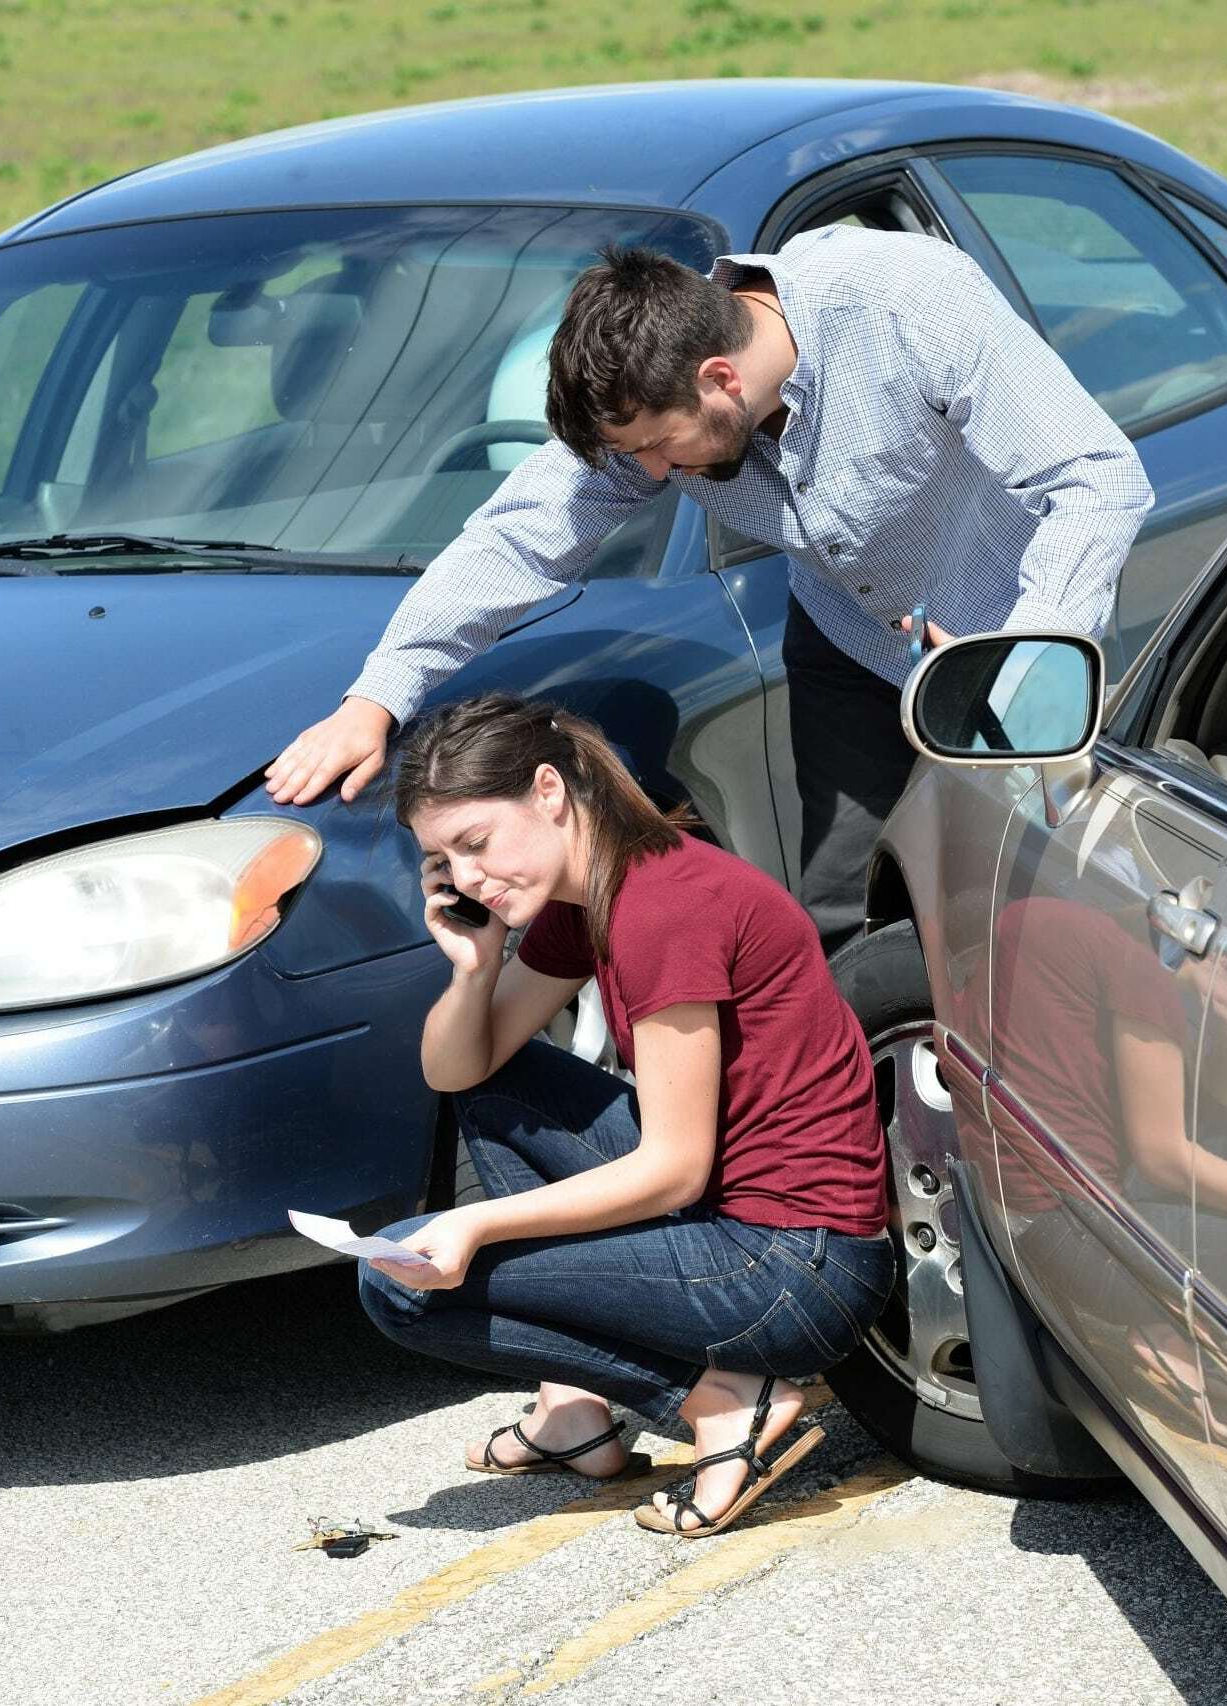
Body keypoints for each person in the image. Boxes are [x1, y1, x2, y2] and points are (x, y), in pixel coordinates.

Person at [265, 227, 1154, 951]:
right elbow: (516, 538)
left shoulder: (903, 301)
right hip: (852, 639)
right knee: (848, 917)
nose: (652, 475)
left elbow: (1096, 478)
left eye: (660, 448)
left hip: (1017, 644)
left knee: (1050, 912)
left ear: (718, 378)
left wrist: (1024, 654)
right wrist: (375, 699)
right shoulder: (659, 403)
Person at [356, 691, 895, 1537]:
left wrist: (480, 1225)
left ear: (547, 792)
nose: (465, 879)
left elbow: (671, 1167)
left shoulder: (660, 909)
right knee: (496, 1080)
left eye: (476, 843)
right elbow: (456, 1068)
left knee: (399, 1291)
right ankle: (573, 1406)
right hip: (740, 1219)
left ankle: (718, 1405)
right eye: (441, 859)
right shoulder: (595, 894)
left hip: (793, 1269)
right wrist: (473, 966)